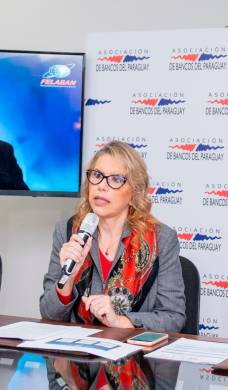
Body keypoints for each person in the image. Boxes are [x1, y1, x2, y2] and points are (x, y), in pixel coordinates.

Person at [39, 141, 186, 332]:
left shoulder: (161, 238)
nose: (102, 186)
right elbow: (48, 315)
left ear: (134, 192)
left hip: (132, 356)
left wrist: (121, 321)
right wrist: (68, 279)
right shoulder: (68, 231)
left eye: (116, 179)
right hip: (77, 356)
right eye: (97, 176)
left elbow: (174, 318)